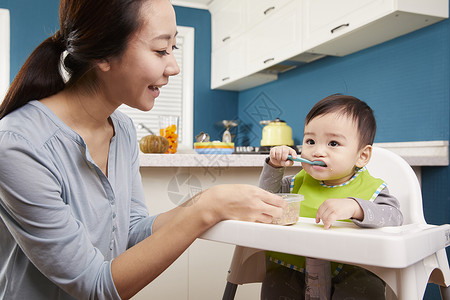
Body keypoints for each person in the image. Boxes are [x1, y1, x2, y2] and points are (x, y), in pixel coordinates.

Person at [0, 1, 287, 299]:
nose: (174, 66)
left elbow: (132, 231)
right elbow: (94, 286)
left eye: (173, 48)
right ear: (104, 53)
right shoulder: (18, 144)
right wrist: (205, 209)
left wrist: (206, 201)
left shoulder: (122, 129)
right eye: (161, 50)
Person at [258, 94, 404, 300]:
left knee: (365, 284)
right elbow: (266, 198)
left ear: (362, 156)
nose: (318, 151)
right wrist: (274, 167)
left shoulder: (372, 189)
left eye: (333, 143)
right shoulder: (296, 182)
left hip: (353, 268)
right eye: (310, 141)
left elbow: (394, 217)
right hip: (293, 266)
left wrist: (356, 207)